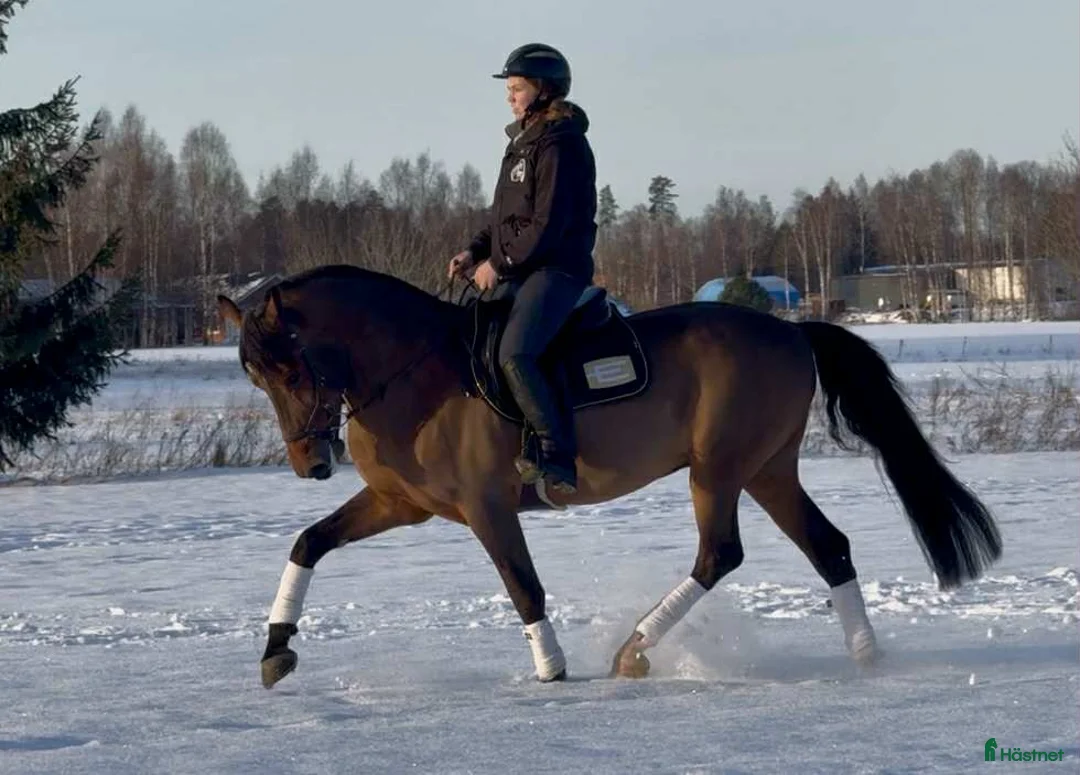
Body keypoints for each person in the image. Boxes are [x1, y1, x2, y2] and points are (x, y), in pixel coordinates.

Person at [447, 43, 598, 495]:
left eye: (517, 88)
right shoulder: (522, 143)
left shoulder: (561, 145)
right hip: (522, 268)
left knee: (515, 352)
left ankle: (555, 454)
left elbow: (546, 225)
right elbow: (502, 217)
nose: (510, 97)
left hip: (556, 269)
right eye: (509, 89)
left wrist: (499, 262)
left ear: (544, 90)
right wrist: (475, 251)